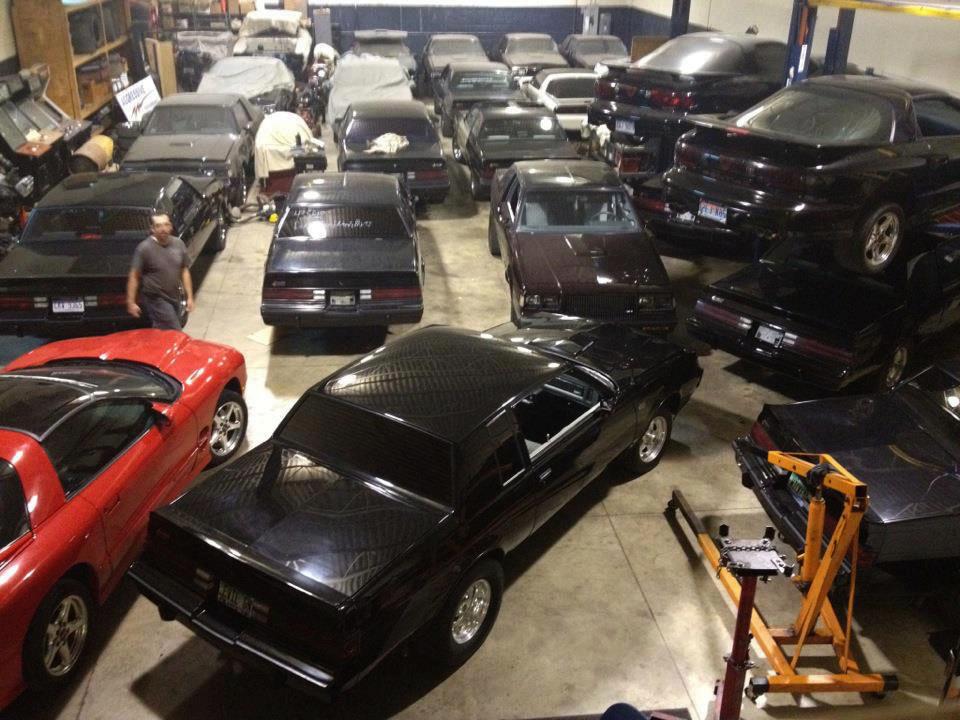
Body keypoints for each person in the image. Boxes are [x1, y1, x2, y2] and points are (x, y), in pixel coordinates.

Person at [126, 213, 195, 330]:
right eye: (158, 226)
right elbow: (134, 276)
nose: (163, 229)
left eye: (166, 224)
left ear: (170, 226)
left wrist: (190, 296)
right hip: (156, 299)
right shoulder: (144, 248)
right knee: (174, 331)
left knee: (163, 331)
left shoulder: (178, 244)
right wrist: (130, 301)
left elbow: (184, 270)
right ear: (152, 229)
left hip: (174, 297)